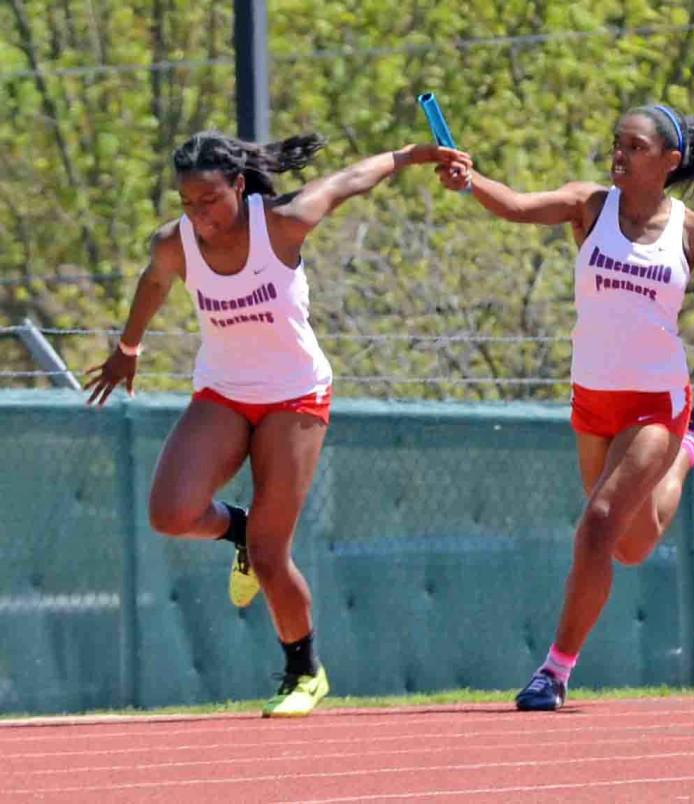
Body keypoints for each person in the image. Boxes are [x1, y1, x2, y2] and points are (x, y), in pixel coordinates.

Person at [85, 130, 470, 717]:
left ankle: (303, 672)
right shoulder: (177, 243)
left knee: (271, 554)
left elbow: (347, 182)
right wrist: (129, 346)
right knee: (170, 513)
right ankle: (236, 529)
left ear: (238, 186)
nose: (200, 215)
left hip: (295, 396)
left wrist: (415, 156)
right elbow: (153, 280)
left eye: (210, 201)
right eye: (188, 203)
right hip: (223, 392)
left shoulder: (282, 223)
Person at [438, 104, 694, 710]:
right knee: (630, 545)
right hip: (593, 399)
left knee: (598, 524)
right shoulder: (589, 206)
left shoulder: (693, 231)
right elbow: (517, 205)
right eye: (616, 142)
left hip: (656, 400)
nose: (619, 154)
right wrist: (470, 181)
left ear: (669, 162)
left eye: (634, 146)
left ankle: (554, 672)